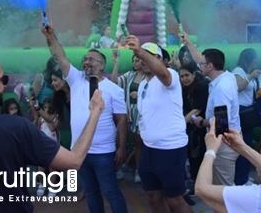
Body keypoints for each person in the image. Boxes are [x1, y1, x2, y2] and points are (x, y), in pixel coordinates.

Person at [0, 48, 105, 213]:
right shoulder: (16, 128)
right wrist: (95, 113)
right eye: (3, 80)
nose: (5, 85)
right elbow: (73, 161)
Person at [41, 24, 129, 213]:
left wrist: (121, 147)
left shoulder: (115, 90)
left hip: (104, 152)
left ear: (102, 65)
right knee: (90, 192)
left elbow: (121, 120)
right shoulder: (75, 79)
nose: (87, 62)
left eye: (92, 59)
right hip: (79, 152)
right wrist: (51, 36)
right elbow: (60, 56)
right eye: (85, 59)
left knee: (111, 191)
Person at [126, 36, 193, 213]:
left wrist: (139, 51)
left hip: (170, 148)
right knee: (152, 196)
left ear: (162, 60)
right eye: (142, 58)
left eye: (151, 56)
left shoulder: (170, 78)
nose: (144, 60)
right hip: (149, 149)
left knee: (175, 200)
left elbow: (162, 73)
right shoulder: (142, 85)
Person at [181, 32, 241, 187]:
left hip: (224, 143)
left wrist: (201, 122)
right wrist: (188, 43)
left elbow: (221, 121)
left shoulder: (221, 88)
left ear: (210, 66)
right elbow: (199, 59)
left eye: (202, 64)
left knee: (224, 190)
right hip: (225, 141)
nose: (198, 65)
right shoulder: (226, 77)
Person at [232, 48, 261, 186]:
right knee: (243, 145)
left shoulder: (246, 72)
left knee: (248, 143)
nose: (256, 60)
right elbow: (238, 87)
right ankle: (240, 179)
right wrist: (251, 76)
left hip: (249, 110)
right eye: (254, 58)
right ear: (248, 59)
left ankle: (244, 176)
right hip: (242, 112)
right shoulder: (238, 71)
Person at [111, 52, 145, 183]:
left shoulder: (148, 78)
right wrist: (116, 64)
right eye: (134, 61)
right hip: (127, 113)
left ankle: (138, 171)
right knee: (119, 142)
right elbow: (115, 81)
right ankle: (117, 169)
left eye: (137, 60)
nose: (135, 63)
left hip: (141, 115)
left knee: (138, 145)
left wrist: (140, 94)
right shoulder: (130, 76)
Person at [180, 62, 210, 184]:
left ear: (193, 74)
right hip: (192, 127)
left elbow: (197, 109)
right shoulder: (184, 89)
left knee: (199, 156)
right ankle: (195, 181)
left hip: (202, 127)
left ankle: (201, 183)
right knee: (193, 157)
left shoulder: (201, 86)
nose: (184, 79)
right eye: (181, 76)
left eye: (187, 75)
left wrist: (180, 124)